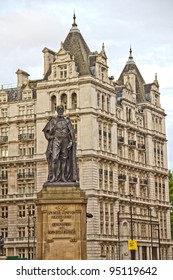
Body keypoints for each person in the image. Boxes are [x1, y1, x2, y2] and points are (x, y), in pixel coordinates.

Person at [43, 105, 78, 182]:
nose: (60, 111)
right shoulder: (53, 121)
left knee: (64, 159)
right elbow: (46, 131)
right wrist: (49, 137)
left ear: (63, 111)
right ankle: (54, 177)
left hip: (65, 140)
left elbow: (72, 134)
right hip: (56, 140)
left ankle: (63, 176)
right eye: (59, 110)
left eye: (61, 110)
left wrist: (71, 142)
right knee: (54, 158)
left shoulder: (67, 121)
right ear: (57, 111)